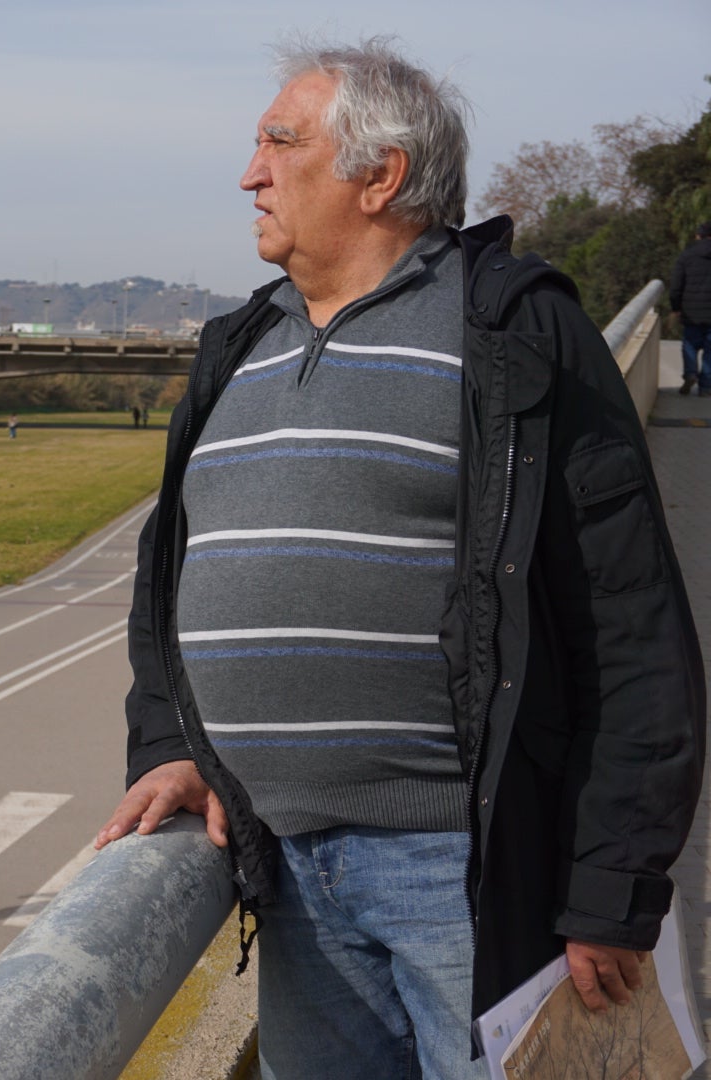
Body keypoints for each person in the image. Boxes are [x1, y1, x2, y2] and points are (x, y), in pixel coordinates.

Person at [94, 37, 704, 1079]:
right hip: (284, 872)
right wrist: (166, 743)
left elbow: (630, 622)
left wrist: (612, 885)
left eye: (278, 143)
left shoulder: (510, 334)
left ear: (376, 176)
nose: (249, 173)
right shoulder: (235, 348)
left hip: (467, 878)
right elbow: (170, 581)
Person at [669, 222, 711, 395]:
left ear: (698, 236)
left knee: (689, 344)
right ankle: (706, 387)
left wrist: (676, 307)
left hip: (691, 312)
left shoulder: (687, 256)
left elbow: (676, 286)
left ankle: (690, 373)